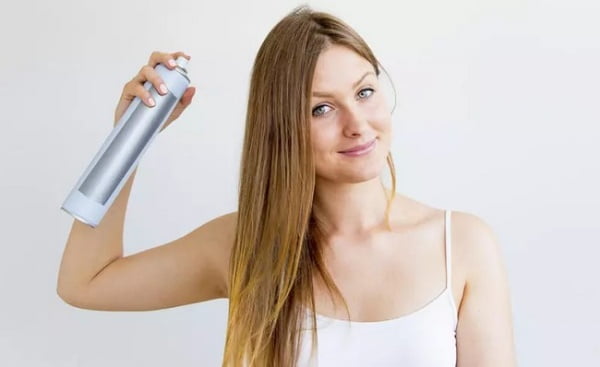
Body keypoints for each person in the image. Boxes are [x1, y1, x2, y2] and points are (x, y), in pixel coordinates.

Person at [57, 5, 517, 367]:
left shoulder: (462, 245)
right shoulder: (246, 244)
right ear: (282, 129)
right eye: (322, 109)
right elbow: (86, 283)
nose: (358, 125)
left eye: (364, 92)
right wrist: (129, 139)